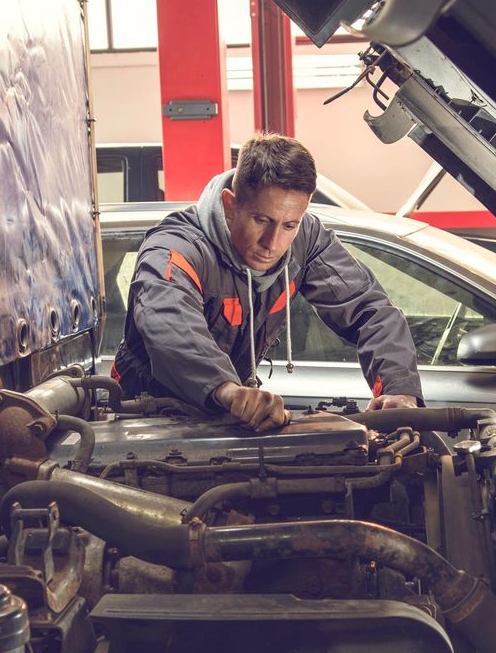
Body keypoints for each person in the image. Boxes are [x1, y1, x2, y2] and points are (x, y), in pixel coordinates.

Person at [113, 134, 423, 431]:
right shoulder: (176, 249)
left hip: (228, 412)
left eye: (289, 224)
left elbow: (370, 310)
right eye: (261, 220)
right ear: (231, 205)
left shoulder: (306, 240)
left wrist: (399, 391)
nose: (273, 243)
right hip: (144, 419)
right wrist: (228, 389)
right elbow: (170, 324)